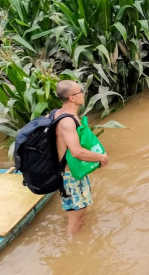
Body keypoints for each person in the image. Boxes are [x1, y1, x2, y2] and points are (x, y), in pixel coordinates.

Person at [54, 80, 109, 235]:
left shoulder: (58, 113)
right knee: (77, 220)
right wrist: (101, 158)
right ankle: (73, 251)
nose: (83, 94)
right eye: (80, 91)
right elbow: (77, 151)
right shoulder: (67, 121)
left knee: (77, 215)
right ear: (72, 97)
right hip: (70, 178)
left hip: (69, 174)